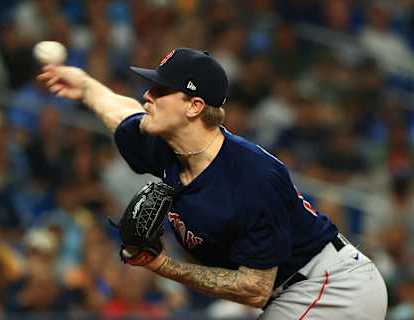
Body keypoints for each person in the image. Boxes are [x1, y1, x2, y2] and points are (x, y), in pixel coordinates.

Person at [38, 47, 388, 319]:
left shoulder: (252, 177)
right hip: (295, 290)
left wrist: (160, 265)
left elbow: (254, 288)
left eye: (160, 90)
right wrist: (84, 86)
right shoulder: (164, 144)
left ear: (194, 107)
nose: (148, 96)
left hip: (331, 285)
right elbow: (119, 112)